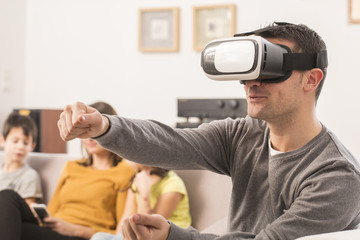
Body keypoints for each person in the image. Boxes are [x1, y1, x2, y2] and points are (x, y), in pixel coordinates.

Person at [57, 23, 360, 240]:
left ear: (311, 80)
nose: (252, 82)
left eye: (270, 68)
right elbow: (171, 144)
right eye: (248, 71)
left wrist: (173, 236)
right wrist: (104, 126)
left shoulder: (334, 177)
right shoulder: (245, 135)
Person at [0, 101, 136, 240]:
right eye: (86, 129)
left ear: (110, 133)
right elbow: (52, 210)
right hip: (52, 231)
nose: (90, 137)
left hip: (80, 236)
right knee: (7, 199)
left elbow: (118, 233)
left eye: (96, 130)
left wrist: (75, 230)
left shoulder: (124, 172)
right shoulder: (71, 167)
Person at [90, 163, 191, 240]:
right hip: (139, 233)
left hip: (165, 236)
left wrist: (144, 196)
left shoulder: (172, 184)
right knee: (99, 237)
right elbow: (123, 224)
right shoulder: (137, 180)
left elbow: (151, 230)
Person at [0, 112, 43, 205]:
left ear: (32, 146)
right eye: (15, 141)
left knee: (7, 195)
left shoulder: (30, 176)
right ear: (2, 141)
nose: (20, 147)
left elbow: (27, 211)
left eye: (25, 143)